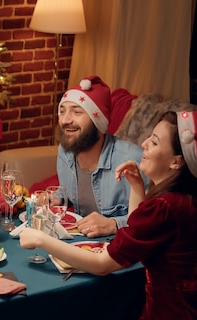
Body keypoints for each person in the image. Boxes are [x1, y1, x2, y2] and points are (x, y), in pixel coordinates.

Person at [21, 110, 197, 319]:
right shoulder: (182, 199)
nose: (144, 144)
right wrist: (136, 185)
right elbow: (136, 232)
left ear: (176, 162)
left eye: (155, 142)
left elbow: (102, 265)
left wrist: (41, 239)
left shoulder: (164, 207)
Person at [57, 75, 149, 237]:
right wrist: (57, 197)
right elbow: (68, 190)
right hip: (81, 242)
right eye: (62, 111)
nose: (65, 120)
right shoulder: (65, 150)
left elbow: (155, 219)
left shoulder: (134, 160)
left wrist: (114, 224)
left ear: (98, 121)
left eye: (77, 112)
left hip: (119, 249)